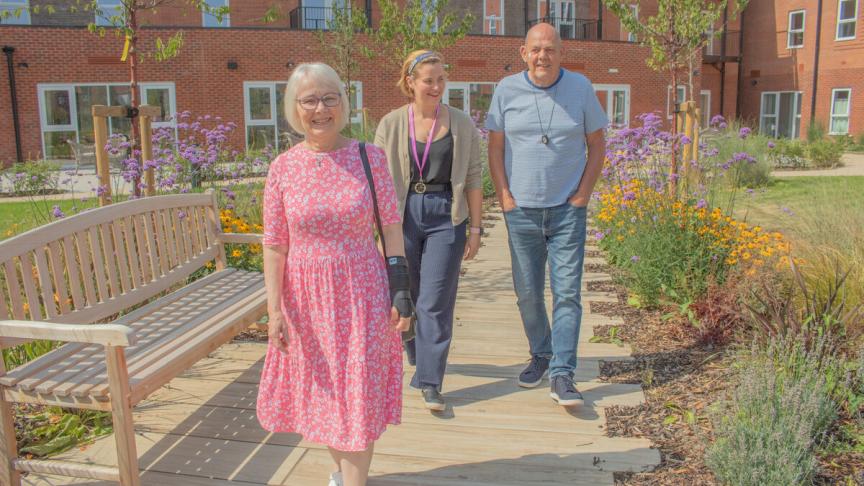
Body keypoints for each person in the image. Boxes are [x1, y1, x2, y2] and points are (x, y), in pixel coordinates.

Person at [257, 62, 413, 486]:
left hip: (361, 291)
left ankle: (352, 481)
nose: (320, 108)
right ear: (294, 108)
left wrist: (401, 288)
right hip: (305, 300)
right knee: (325, 393)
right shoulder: (283, 167)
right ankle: (344, 476)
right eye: (309, 100)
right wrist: (274, 312)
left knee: (357, 392)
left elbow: (392, 227)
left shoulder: (369, 157)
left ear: (345, 104)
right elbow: (274, 245)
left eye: (330, 98)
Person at [485, 23, 608, 407]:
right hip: (521, 210)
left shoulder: (581, 88)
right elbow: (495, 147)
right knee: (527, 294)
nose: (543, 56)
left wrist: (583, 194)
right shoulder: (506, 90)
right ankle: (541, 353)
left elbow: (597, 144)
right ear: (524, 53)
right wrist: (504, 196)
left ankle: (563, 373)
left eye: (550, 49)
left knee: (567, 293)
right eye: (536, 49)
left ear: (561, 53)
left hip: (567, 210)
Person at [374, 50, 484, 412]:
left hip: (445, 216)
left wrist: (476, 228)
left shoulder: (461, 123)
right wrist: (374, 229)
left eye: (441, 80)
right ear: (411, 82)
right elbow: (376, 181)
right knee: (407, 293)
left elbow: (472, 178)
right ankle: (413, 345)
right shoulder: (391, 124)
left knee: (435, 301)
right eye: (428, 80)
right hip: (401, 217)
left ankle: (430, 380)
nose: (436, 87)